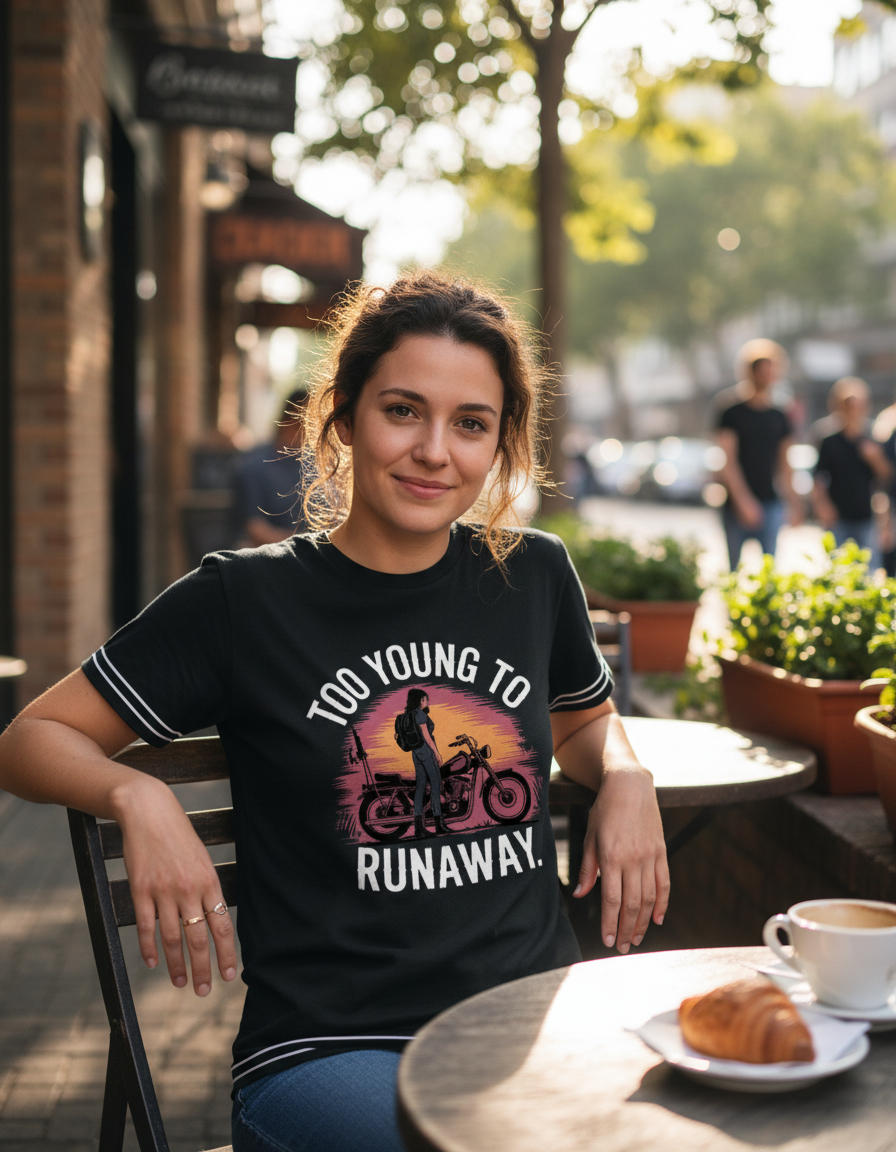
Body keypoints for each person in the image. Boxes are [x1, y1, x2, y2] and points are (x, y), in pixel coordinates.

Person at [0, 273, 669, 1152]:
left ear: (500, 443)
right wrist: (138, 797)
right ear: (343, 417)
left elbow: (583, 724)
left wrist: (624, 773)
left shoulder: (533, 574)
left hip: (529, 1017)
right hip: (332, 1045)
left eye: (471, 423)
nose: (435, 450)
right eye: (403, 410)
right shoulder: (243, 599)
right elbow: (28, 740)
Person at [714, 339, 802, 569]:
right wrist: (743, 502)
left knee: (769, 574)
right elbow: (727, 461)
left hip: (771, 503)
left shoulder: (780, 414)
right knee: (734, 571)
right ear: (749, 372)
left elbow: (785, 463)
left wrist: (794, 503)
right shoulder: (730, 411)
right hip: (736, 505)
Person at [812, 377, 891, 552]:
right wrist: (823, 508)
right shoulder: (829, 440)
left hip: (867, 516)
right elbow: (818, 478)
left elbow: (885, 477)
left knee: (867, 569)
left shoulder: (872, 437)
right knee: (838, 568)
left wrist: (875, 459)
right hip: (837, 516)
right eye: (848, 404)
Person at [230, 388, 311, 547]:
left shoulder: (313, 467)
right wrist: (303, 545)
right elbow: (255, 529)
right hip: (268, 556)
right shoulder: (253, 466)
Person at [399, 688, 449, 838]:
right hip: (426, 751)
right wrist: (437, 753)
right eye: (425, 699)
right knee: (436, 783)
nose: (427, 701)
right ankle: (439, 825)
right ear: (420, 700)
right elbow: (427, 737)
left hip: (416, 753)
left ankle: (419, 828)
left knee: (420, 786)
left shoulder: (410, 715)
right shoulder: (420, 714)